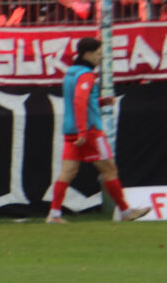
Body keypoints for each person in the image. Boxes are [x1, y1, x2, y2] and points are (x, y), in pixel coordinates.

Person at [47, 36, 147, 224]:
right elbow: (79, 100)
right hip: (89, 131)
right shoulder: (86, 75)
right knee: (110, 170)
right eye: (98, 54)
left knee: (67, 172)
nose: (100, 58)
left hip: (70, 130)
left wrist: (100, 102)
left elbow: (78, 100)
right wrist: (84, 131)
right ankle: (125, 211)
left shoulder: (70, 73)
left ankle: (54, 214)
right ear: (88, 54)